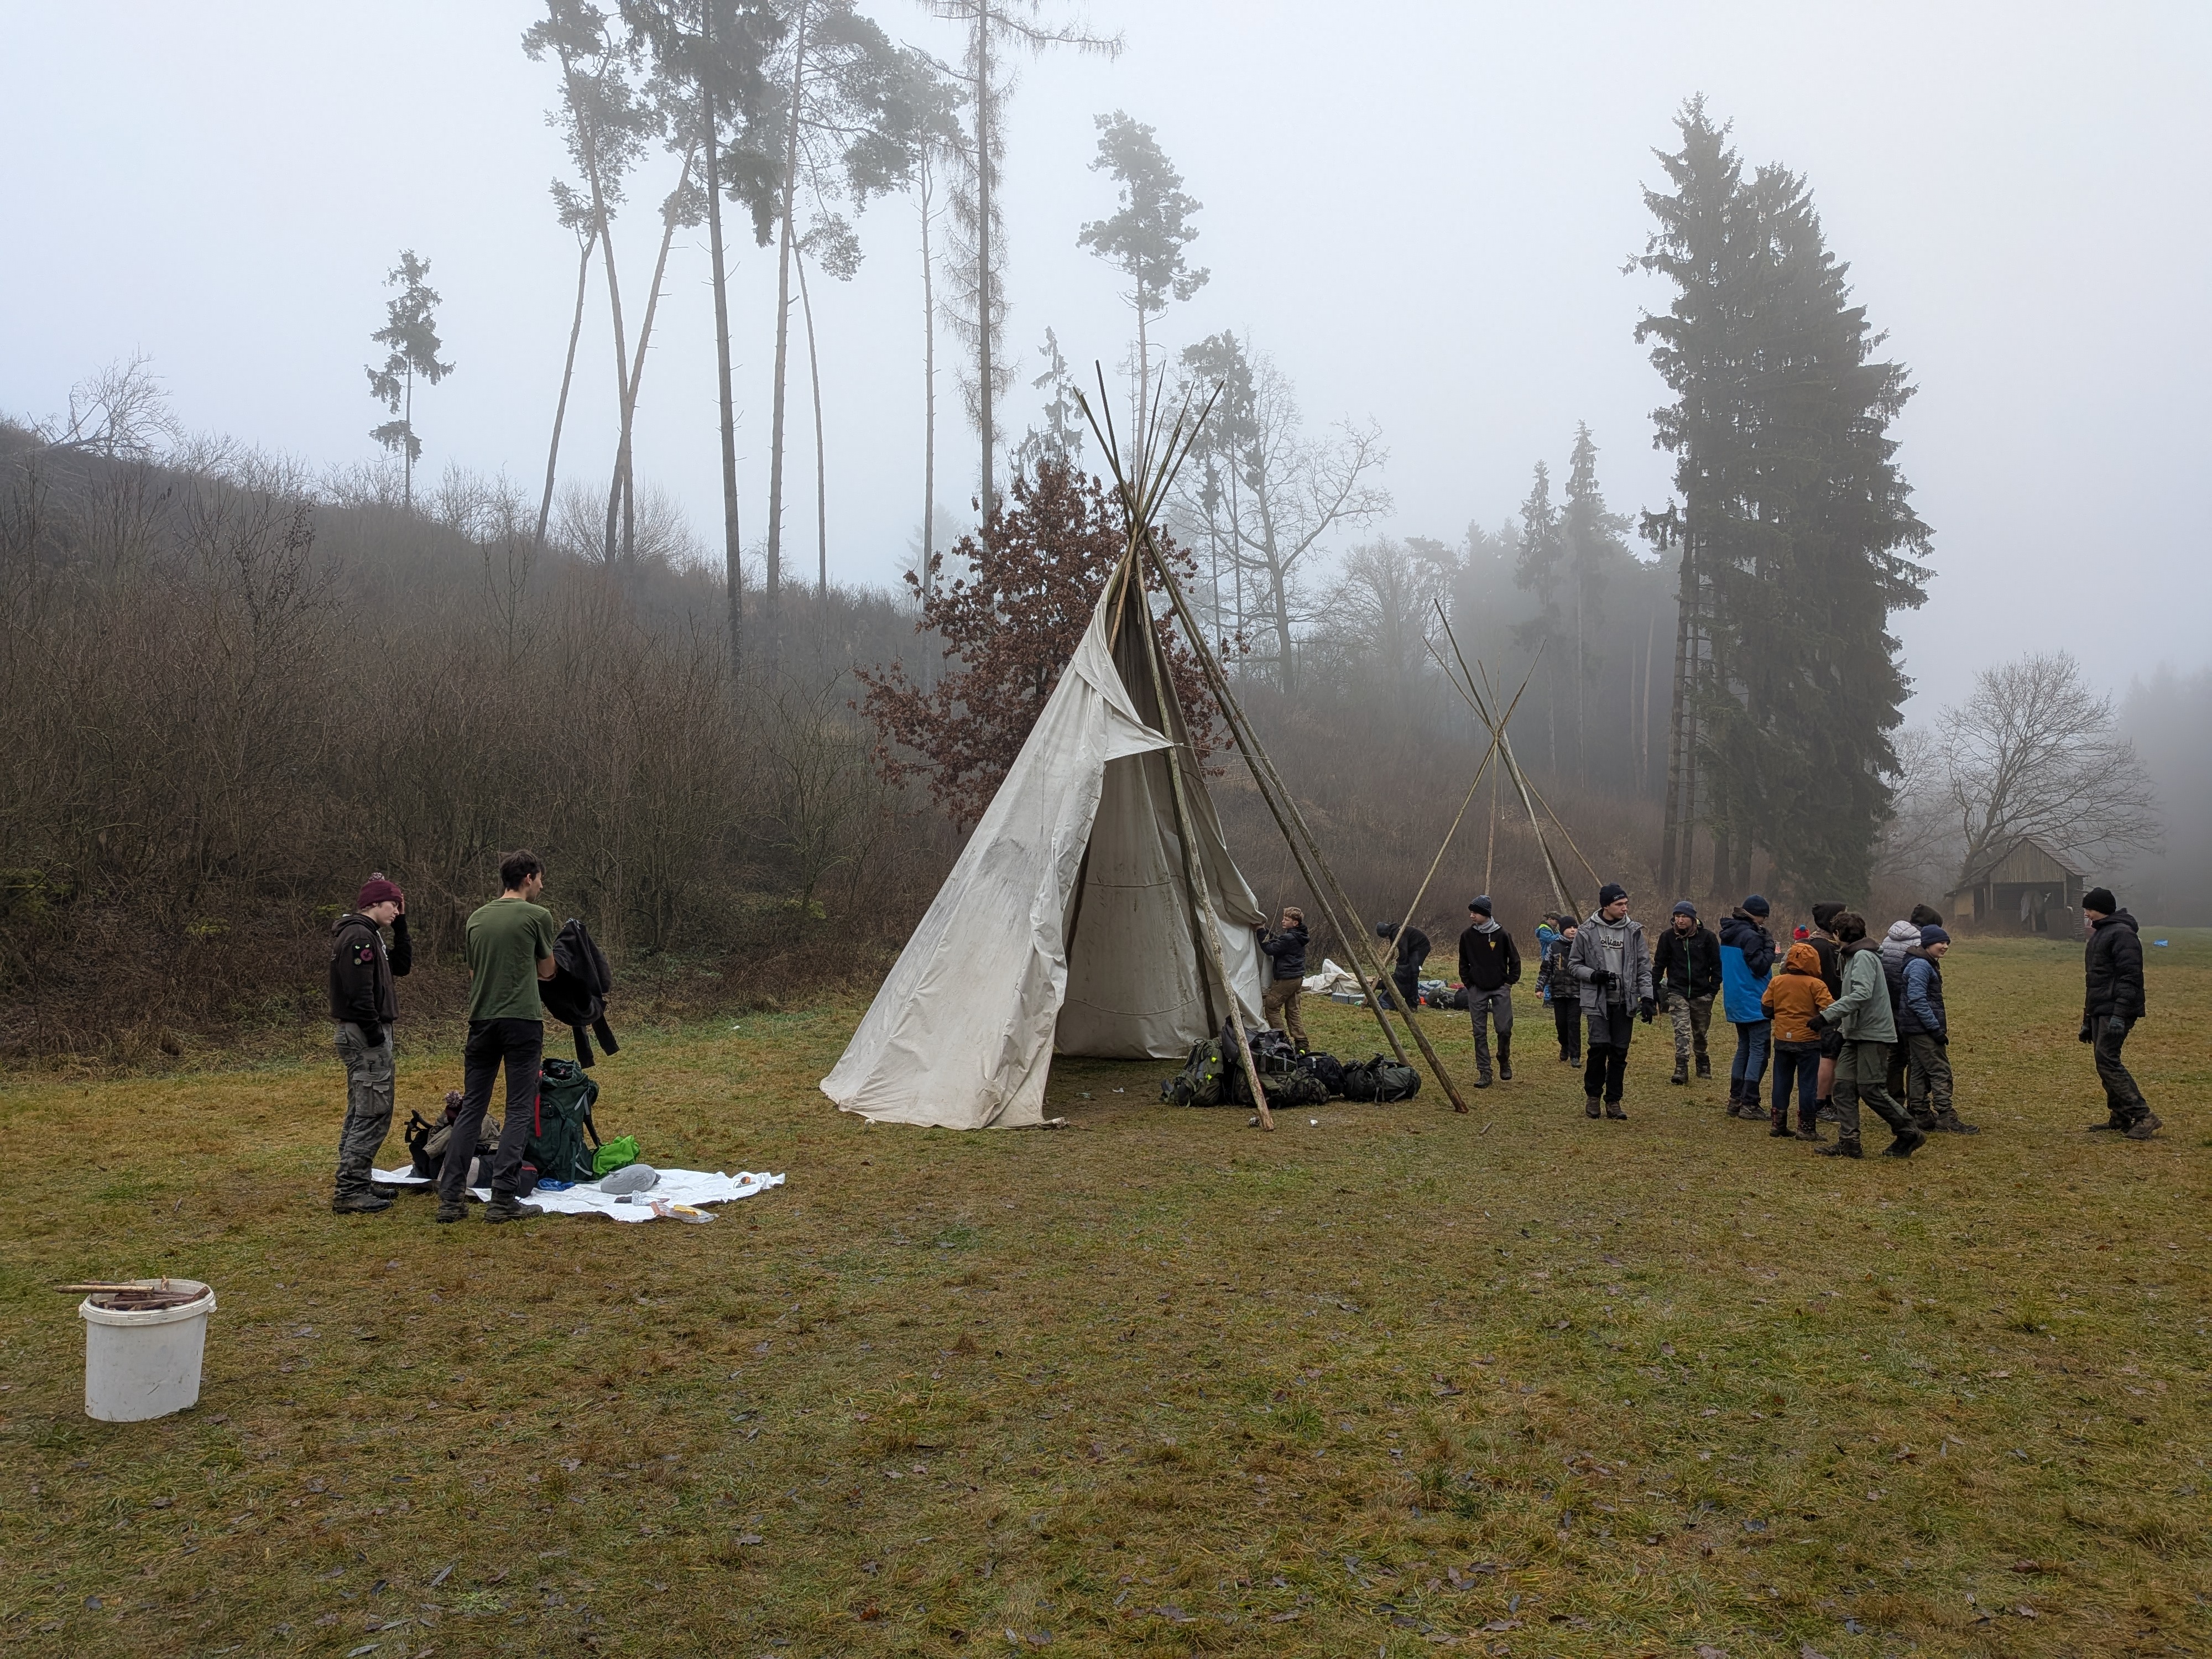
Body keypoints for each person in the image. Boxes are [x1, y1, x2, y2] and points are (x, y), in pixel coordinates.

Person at [438, 850, 560, 1224]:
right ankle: (503, 1198)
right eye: (540, 879)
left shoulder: (476, 918)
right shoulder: (537, 916)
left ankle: (450, 1199)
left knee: (473, 1107)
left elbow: (474, 973)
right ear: (528, 878)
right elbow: (548, 971)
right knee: (519, 1107)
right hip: (522, 1021)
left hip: (481, 1021)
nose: (542, 886)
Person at [1808, 911, 1926, 1159]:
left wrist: (1827, 1016)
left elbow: (1861, 994)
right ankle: (1849, 1142)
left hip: (1873, 1032)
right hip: (1854, 1032)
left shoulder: (1863, 957)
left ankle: (1909, 1132)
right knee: (1843, 1087)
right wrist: (1842, 1028)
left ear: (1837, 934)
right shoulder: (1851, 955)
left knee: (1871, 1089)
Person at [327, 874, 412, 1214]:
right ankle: (350, 1190)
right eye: (393, 905)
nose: (397, 911)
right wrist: (375, 1035)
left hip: (364, 1034)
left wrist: (401, 927)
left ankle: (358, 1179)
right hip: (365, 1036)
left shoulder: (370, 934)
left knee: (362, 1107)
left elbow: (402, 967)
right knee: (373, 1111)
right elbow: (358, 992)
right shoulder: (359, 936)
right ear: (374, 903)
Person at [1568, 883, 1653, 1120]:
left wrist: (1647, 997)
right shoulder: (1586, 931)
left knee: (1619, 1052)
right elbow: (1574, 964)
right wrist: (1593, 975)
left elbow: (1644, 968)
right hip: (1597, 1001)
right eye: (1619, 904)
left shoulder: (1634, 932)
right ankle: (1593, 1097)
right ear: (1606, 906)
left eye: (1626, 904)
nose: (1625, 908)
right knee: (1598, 1049)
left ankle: (1614, 1101)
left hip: (1625, 1001)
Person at [2080, 888, 2158, 1139]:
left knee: (2108, 1060)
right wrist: (2088, 1018)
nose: (2086, 913)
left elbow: (2131, 977)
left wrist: (2120, 1014)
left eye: (2089, 909)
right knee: (2103, 1061)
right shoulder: (2101, 934)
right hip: (2101, 1008)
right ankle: (2121, 1116)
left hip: (2117, 1008)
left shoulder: (2123, 935)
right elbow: (2095, 981)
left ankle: (2144, 1116)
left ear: (2101, 909)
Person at [1900, 925, 1976, 1134]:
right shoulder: (1921, 965)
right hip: (1922, 1028)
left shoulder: (1923, 962)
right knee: (1940, 1070)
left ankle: (1921, 1114)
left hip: (1914, 1027)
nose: (1945, 946)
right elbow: (1917, 999)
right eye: (1940, 942)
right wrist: (1934, 1028)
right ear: (1927, 944)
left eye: (1947, 943)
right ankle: (1946, 1116)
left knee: (1919, 1070)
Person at [1761, 940, 1833, 1141]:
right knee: (1807, 1084)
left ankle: (1778, 1124)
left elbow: (1766, 1009)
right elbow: (1830, 1010)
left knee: (1781, 1081)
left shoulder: (1777, 982)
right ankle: (1806, 1128)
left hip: (1783, 1039)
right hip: (1808, 1041)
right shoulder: (1816, 985)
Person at [1651, 899, 1721, 1086]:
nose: (1680, 920)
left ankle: (1703, 1060)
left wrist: (1713, 990)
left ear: (1693, 918)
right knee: (1682, 1031)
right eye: (1677, 916)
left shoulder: (1707, 938)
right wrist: (1654, 987)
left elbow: (1717, 966)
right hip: (1677, 991)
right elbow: (1659, 964)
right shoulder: (1667, 937)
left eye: (1684, 916)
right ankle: (1681, 1067)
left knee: (1700, 1032)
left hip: (1702, 993)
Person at [1718, 895, 1777, 1118]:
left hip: (1736, 999)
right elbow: (1760, 967)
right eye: (1763, 918)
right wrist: (1770, 948)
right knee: (1759, 1051)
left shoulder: (1729, 934)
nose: (1764, 923)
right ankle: (1750, 1103)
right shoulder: (1751, 936)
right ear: (1757, 916)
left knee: (1744, 1048)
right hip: (1755, 1000)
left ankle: (1735, 1099)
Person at [1457, 896, 1522, 1087]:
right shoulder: (1467, 936)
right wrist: (1468, 983)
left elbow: (1514, 960)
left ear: (1486, 914)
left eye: (1475, 912)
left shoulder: (1502, 935)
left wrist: (1509, 982)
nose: (1472, 916)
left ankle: (1503, 1058)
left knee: (1504, 1029)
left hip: (1500, 988)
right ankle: (1485, 1072)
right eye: (1471, 912)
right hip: (1477, 989)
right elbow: (1463, 962)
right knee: (1479, 1032)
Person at [1804, 901, 1847, 1121]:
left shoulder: (1813, 943)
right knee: (1829, 1056)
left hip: (1821, 1007)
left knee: (1832, 1054)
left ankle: (1826, 1101)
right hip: (1828, 1007)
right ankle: (1821, 1102)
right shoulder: (1826, 948)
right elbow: (1834, 981)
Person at [1878, 914, 1928, 1102]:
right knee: (1914, 1056)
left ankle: (1894, 1098)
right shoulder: (1919, 944)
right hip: (1909, 1006)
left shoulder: (1888, 939)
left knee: (1895, 1054)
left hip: (1890, 1004)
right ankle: (1916, 1101)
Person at [1256, 907, 1311, 1052]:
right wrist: (1266, 931)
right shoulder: (1299, 935)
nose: (1283, 921)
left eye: (1286, 920)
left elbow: (1270, 949)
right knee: (1293, 1012)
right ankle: (1302, 1045)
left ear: (1295, 923)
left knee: (1271, 1007)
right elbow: (1278, 941)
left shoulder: (1290, 938)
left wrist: (1260, 931)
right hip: (1297, 978)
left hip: (1287, 979)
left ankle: (1281, 1041)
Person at [1537, 915, 1581, 1065]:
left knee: (1574, 1023)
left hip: (1577, 992)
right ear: (1562, 930)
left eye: (1575, 928)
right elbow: (1546, 968)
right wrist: (1540, 987)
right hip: (1558, 991)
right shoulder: (1555, 946)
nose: (1573, 930)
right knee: (1561, 1024)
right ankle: (1565, 1046)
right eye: (1569, 928)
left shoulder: (1581, 946)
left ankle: (1575, 1055)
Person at [1376, 919, 1431, 1014]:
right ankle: (1409, 1001)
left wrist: (1401, 966)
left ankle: (1413, 1005)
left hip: (1421, 947)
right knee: (1408, 971)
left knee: (1414, 973)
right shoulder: (1393, 931)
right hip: (1413, 948)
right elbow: (1393, 947)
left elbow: (1403, 951)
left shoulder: (1398, 932)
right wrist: (1390, 956)